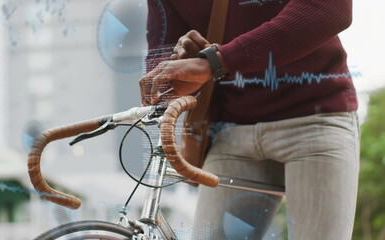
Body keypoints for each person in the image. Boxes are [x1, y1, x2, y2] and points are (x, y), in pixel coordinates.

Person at [140, 0, 359, 239]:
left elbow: (330, 10)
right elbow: (162, 75)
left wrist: (216, 61)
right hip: (232, 132)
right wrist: (181, 61)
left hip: (315, 121)